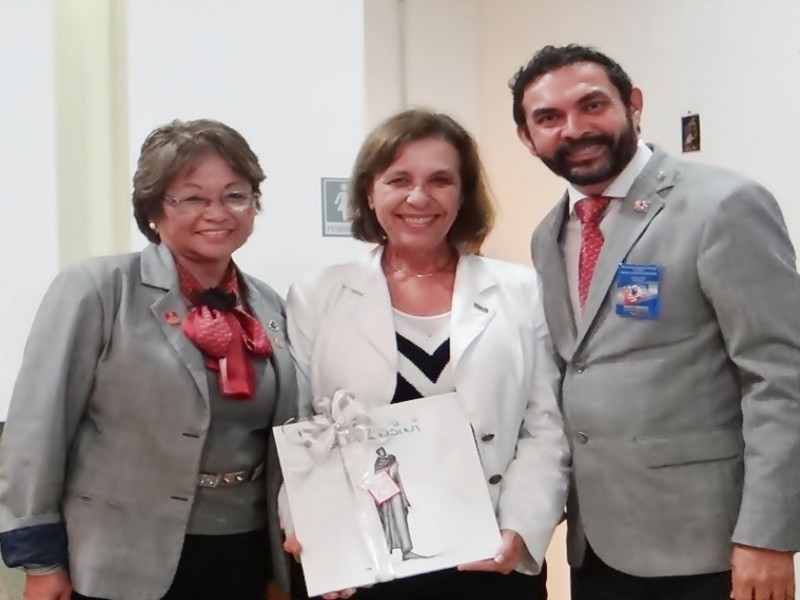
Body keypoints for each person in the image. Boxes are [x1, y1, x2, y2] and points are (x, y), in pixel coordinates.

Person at [510, 44, 800, 600]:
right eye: (548, 117)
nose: (574, 129)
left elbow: (781, 377)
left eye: (592, 105)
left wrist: (768, 536)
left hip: (710, 546)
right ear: (527, 137)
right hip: (597, 544)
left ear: (633, 104)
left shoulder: (722, 205)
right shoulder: (548, 234)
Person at [0, 119, 298, 600]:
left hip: (244, 553)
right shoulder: (99, 289)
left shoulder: (268, 304)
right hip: (119, 559)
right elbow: (38, 429)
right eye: (193, 198)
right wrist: (40, 560)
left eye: (235, 196)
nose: (217, 212)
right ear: (154, 207)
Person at [285, 109, 569, 600]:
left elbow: (545, 427)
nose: (419, 197)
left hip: (489, 558)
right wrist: (313, 530)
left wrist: (522, 527)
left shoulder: (521, 291)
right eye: (399, 180)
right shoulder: (317, 296)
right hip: (363, 562)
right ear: (369, 192)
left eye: (440, 180)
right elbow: (300, 428)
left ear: (463, 194)